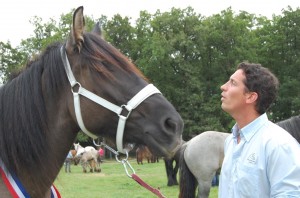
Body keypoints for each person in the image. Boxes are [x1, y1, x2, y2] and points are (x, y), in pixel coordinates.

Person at [218, 62, 300, 197]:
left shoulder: (279, 145)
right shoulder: (230, 142)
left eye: (233, 83)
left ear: (250, 96)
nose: (223, 86)